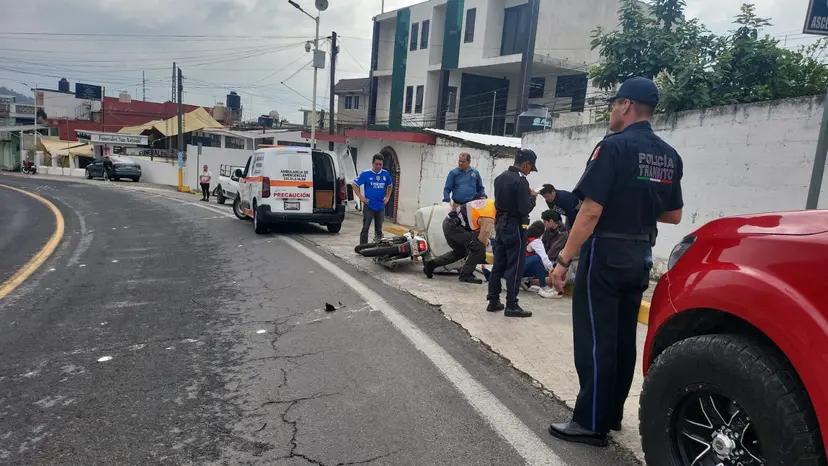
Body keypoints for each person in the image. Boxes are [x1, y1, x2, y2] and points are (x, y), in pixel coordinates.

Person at [547, 77, 684, 446]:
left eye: (612, 105)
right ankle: (611, 414)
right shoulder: (669, 155)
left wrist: (562, 260)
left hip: (605, 255)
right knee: (623, 340)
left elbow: (590, 211)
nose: (610, 112)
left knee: (595, 339)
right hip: (639, 255)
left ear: (626, 105)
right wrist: (634, 207)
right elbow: (674, 215)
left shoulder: (613, 148)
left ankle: (590, 423)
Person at [486, 149, 538, 318]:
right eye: (531, 167)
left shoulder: (500, 178)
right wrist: (533, 197)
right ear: (525, 164)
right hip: (515, 226)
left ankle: (493, 301)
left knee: (499, 264)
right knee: (515, 266)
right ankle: (511, 304)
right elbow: (524, 208)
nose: (530, 171)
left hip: (500, 224)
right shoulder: (521, 182)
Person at [423, 197, 495, 284]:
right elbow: (482, 239)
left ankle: (431, 265)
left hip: (450, 223)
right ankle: (466, 275)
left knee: (461, 252)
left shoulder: (491, 204)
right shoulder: (489, 216)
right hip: (454, 227)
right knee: (478, 248)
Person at [353, 154, 394, 245]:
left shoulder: (385, 174)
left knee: (379, 230)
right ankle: (363, 247)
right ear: (372, 163)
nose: (378, 166)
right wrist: (361, 197)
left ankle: (377, 248)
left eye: (380, 164)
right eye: (376, 164)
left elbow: (390, 186)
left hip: (380, 206)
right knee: (365, 228)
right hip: (369, 206)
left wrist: (387, 197)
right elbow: (354, 184)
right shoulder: (366, 174)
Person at [521, 221, 561, 299]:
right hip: (522, 268)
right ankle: (544, 287)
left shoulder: (524, 237)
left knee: (540, 266)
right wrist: (552, 269)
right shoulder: (536, 241)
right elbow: (544, 258)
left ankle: (525, 282)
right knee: (538, 259)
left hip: (516, 268)